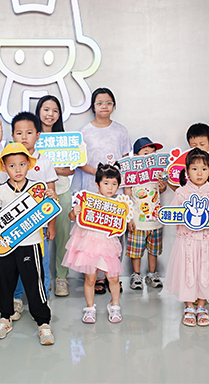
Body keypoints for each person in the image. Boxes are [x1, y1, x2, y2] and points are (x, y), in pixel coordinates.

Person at [0, 143, 56, 345]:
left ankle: (43, 322)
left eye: (22, 164)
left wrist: (52, 198)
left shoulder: (38, 189)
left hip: (31, 243)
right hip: (7, 246)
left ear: (29, 164)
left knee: (35, 282)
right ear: (4, 168)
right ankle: (5, 317)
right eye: (12, 166)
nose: (17, 169)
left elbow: (49, 209)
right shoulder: (0, 191)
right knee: (5, 281)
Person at [0, 112, 57, 321]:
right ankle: (16, 300)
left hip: (37, 228)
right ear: (12, 135)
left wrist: (51, 225)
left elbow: (52, 196)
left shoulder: (44, 162)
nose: (24, 137)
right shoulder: (5, 162)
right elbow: (0, 194)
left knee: (41, 263)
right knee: (14, 267)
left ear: (38, 135)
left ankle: (42, 298)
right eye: (19, 133)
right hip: (12, 230)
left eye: (29, 132)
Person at [73, 87, 130, 294]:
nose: (104, 106)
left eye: (108, 103)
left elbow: (126, 161)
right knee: (93, 235)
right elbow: (79, 162)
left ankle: (112, 275)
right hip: (92, 189)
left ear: (113, 106)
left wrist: (122, 188)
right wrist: (100, 174)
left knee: (115, 233)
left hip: (116, 191)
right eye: (99, 103)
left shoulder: (121, 131)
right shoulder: (84, 131)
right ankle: (95, 276)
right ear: (93, 106)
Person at [165, 148, 209, 327]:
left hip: (208, 241)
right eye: (194, 169)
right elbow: (172, 215)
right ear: (187, 171)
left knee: (205, 272)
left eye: (204, 169)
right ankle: (189, 306)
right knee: (188, 272)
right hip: (187, 241)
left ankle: (201, 306)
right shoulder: (181, 193)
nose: (199, 173)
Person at [62, 163, 125, 324]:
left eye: (114, 184)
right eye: (106, 183)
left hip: (108, 244)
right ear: (97, 184)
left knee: (113, 278)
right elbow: (71, 217)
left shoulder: (119, 206)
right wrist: (74, 212)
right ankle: (90, 308)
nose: (110, 187)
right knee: (90, 279)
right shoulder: (87, 200)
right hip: (89, 243)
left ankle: (115, 305)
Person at [35, 95, 74, 297]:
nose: (50, 114)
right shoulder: (31, 135)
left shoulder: (65, 139)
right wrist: (55, 169)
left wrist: (51, 169)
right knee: (37, 238)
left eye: (55, 110)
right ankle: (41, 279)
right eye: (46, 109)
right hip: (36, 194)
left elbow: (70, 169)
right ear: (39, 111)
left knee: (62, 235)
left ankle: (61, 278)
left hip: (62, 190)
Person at [126, 137, 167, 290]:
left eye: (153, 153)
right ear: (136, 156)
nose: (150, 156)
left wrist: (162, 187)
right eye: (145, 153)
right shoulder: (131, 174)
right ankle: (136, 275)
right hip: (137, 221)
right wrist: (129, 218)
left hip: (155, 219)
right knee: (136, 252)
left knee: (153, 250)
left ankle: (152, 273)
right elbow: (127, 196)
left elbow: (162, 189)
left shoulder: (158, 172)